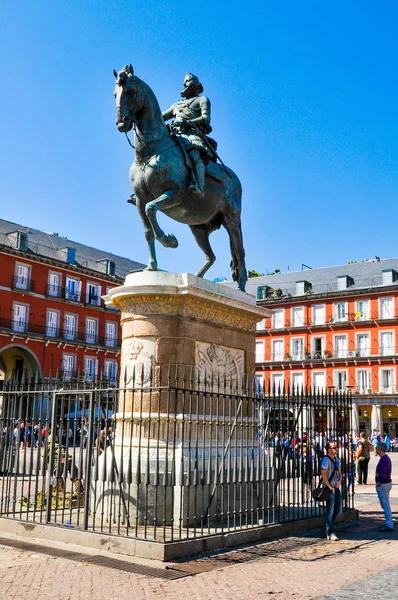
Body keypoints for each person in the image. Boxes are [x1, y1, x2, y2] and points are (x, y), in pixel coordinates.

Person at [162, 73, 214, 198]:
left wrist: (185, 122)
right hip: (176, 134)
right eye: (184, 81)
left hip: (193, 134)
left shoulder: (202, 100)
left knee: (194, 154)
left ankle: (199, 186)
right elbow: (161, 116)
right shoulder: (177, 105)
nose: (184, 84)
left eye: (187, 81)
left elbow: (206, 118)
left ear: (195, 83)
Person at [321, 440, 343, 541]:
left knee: (338, 510)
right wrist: (329, 487)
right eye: (334, 448)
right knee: (329, 511)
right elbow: (323, 474)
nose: (336, 449)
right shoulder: (326, 460)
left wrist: (340, 481)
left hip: (336, 487)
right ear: (329, 450)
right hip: (330, 488)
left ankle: (326, 525)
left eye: (336, 447)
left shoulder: (336, 459)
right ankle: (329, 532)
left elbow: (340, 472)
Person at [375, 441, 394, 532]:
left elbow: (383, 473)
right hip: (386, 483)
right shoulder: (386, 458)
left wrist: (379, 482)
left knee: (385, 505)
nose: (376, 450)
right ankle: (388, 523)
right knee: (386, 504)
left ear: (380, 449)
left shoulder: (383, 459)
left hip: (384, 484)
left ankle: (389, 524)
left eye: (377, 448)